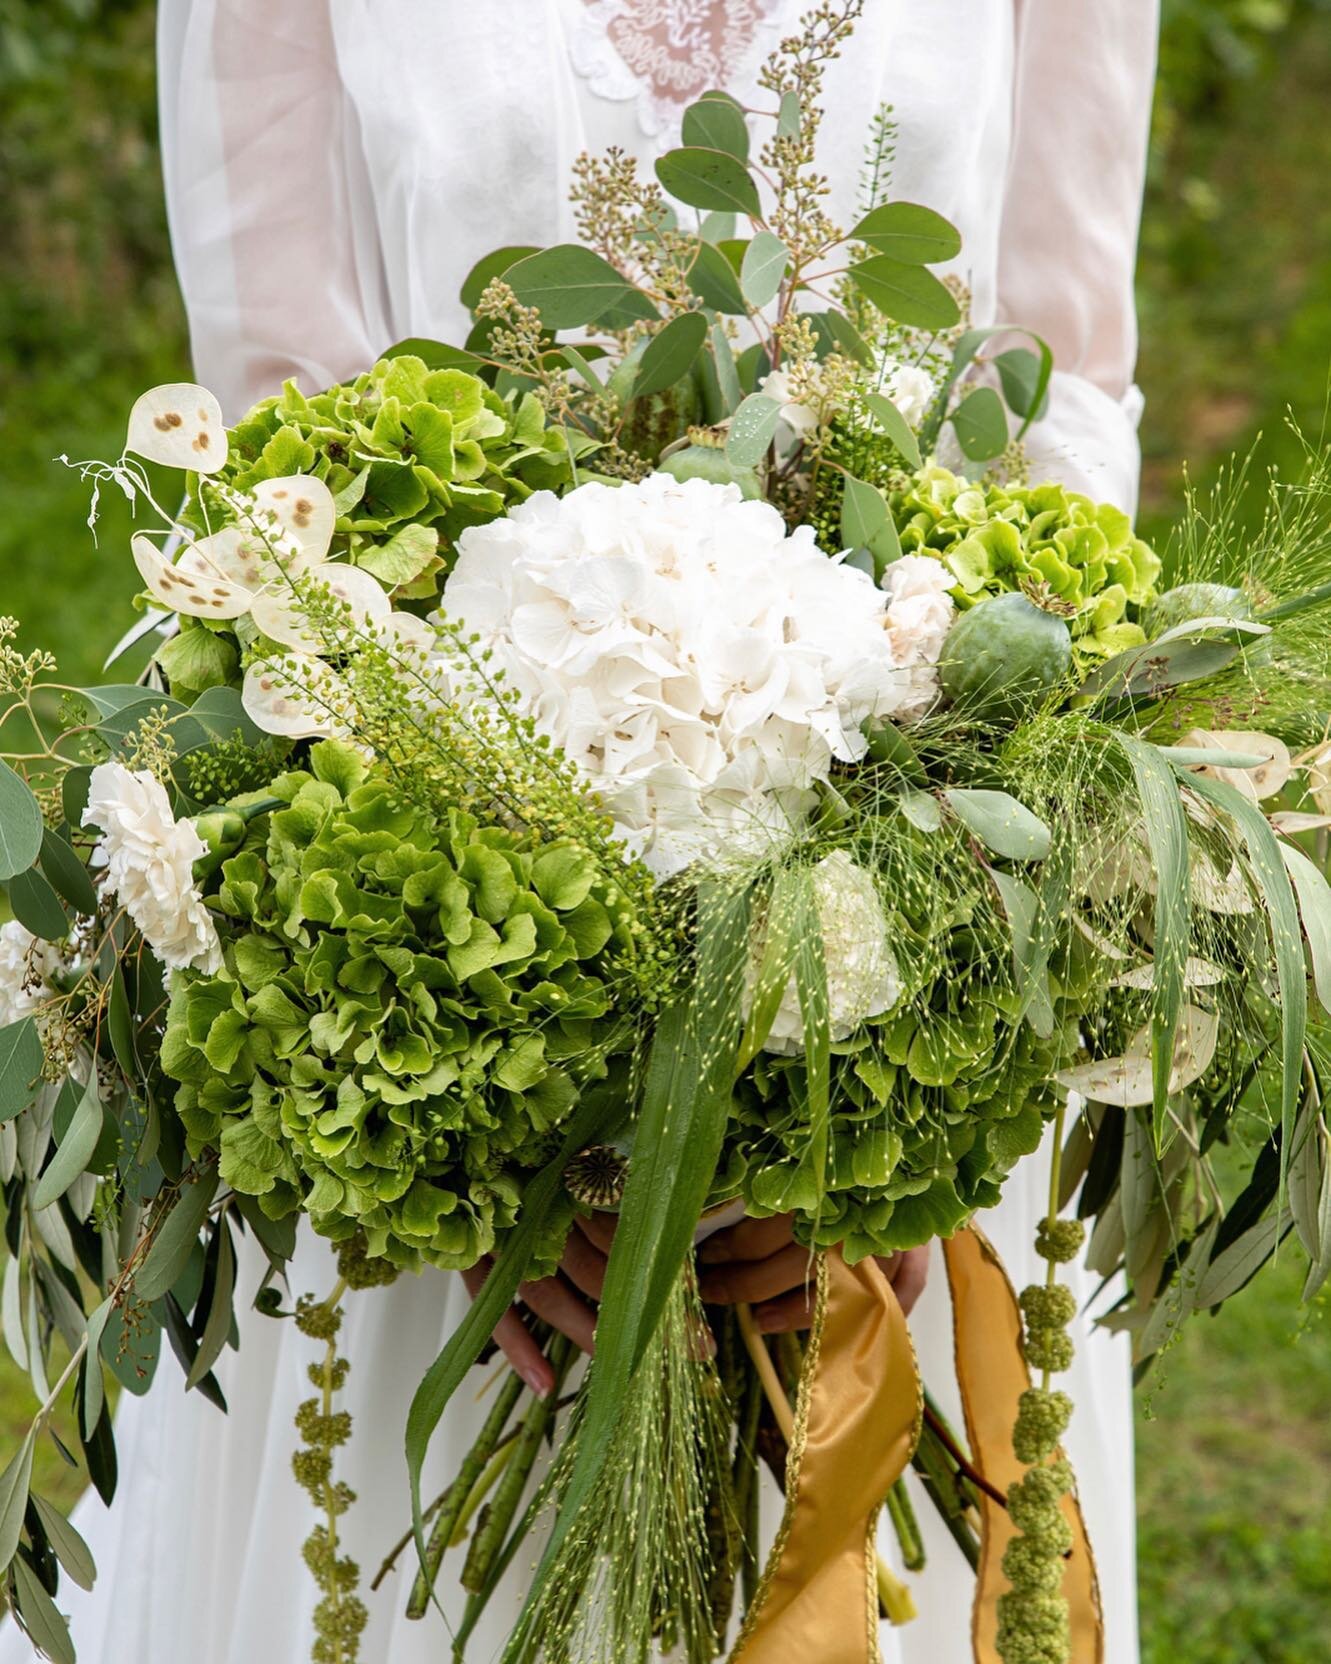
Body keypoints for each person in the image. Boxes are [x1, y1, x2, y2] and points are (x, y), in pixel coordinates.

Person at [3, 3, 1156, 1658]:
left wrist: (904, 1099)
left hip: (912, 942)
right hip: (450, 1002)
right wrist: (483, 1151)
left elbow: (1061, 417)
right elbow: (286, 474)